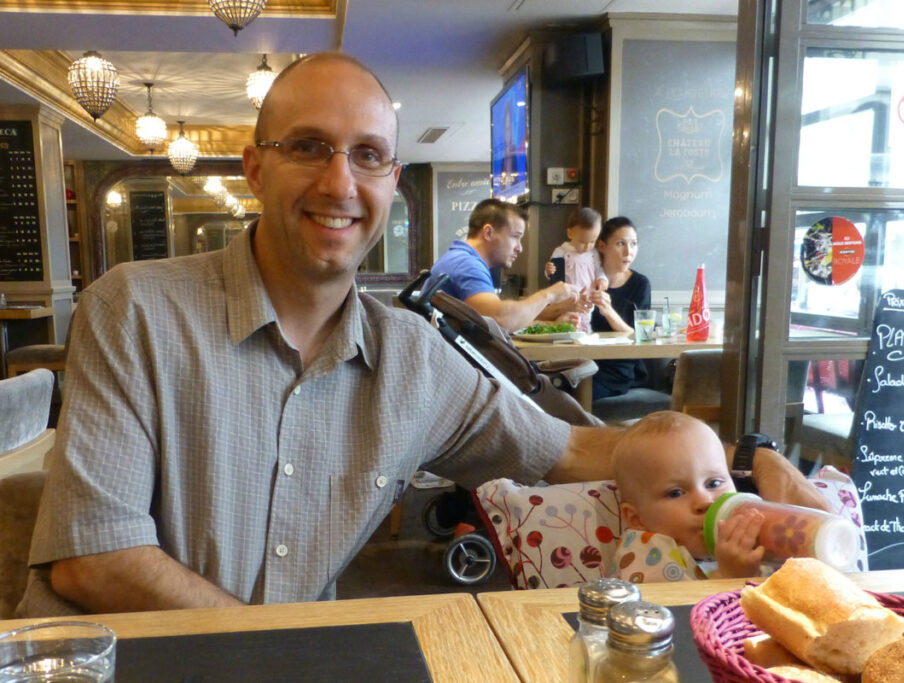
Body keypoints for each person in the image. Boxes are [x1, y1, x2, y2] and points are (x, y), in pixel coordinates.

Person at [20, 52, 824, 617]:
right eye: (309, 147)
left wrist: (748, 461)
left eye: (367, 156)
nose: (340, 181)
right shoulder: (133, 309)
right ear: (256, 168)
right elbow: (94, 560)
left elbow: (567, 448)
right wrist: (283, 656)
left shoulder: (408, 355)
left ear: (390, 184)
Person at [612, 412, 766, 582]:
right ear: (636, 518)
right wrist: (728, 576)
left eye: (714, 483)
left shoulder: (744, 537)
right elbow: (676, 607)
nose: (705, 502)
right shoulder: (649, 556)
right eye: (676, 493)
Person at [427, 198, 583, 332]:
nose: (520, 248)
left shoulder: (459, 258)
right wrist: (550, 294)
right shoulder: (466, 265)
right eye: (516, 237)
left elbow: (494, 317)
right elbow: (500, 319)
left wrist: (556, 314)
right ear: (488, 233)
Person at [587, 216, 651, 400]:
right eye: (621, 244)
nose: (628, 252)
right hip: (581, 362)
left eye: (633, 244)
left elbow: (640, 335)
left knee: (573, 392)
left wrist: (608, 311)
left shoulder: (640, 284)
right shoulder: (586, 278)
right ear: (601, 246)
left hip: (617, 369)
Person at [543, 207, 607, 333]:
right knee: (567, 323)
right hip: (566, 299)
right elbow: (553, 275)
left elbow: (599, 270)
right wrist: (548, 271)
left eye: (592, 242)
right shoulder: (561, 252)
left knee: (585, 321)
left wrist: (602, 280)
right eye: (583, 242)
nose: (587, 246)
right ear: (570, 233)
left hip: (587, 297)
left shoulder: (593, 254)